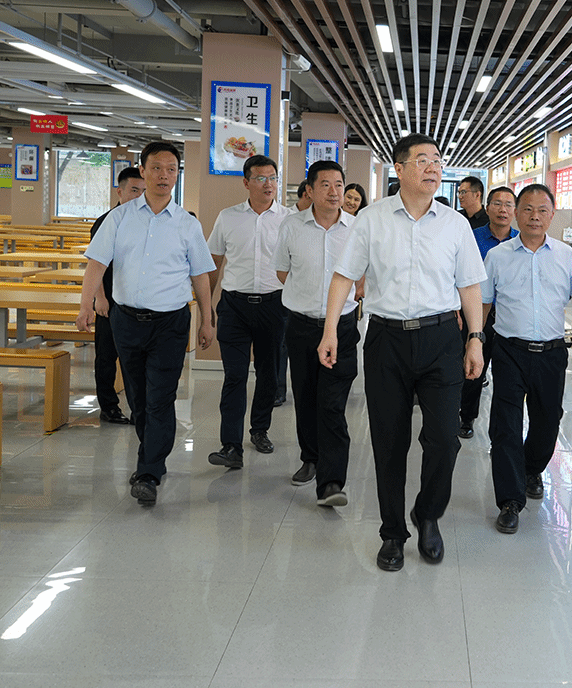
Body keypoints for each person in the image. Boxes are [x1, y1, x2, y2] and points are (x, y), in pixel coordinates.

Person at [319, 133, 485, 572]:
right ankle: (392, 532)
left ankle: (428, 514)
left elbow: (470, 285)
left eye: (438, 160)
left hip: (441, 339)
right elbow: (344, 276)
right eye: (423, 160)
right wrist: (330, 330)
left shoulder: (455, 224)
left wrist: (475, 337)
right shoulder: (371, 220)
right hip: (386, 340)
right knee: (389, 441)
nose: (433, 168)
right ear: (400, 169)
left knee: (444, 439)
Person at [76, 141, 216, 507]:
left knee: (160, 398)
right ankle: (151, 454)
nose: (164, 176)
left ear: (177, 175)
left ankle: (149, 471)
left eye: (171, 169)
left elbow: (201, 275)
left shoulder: (187, 224)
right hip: (127, 321)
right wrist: (86, 304)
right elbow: (97, 264)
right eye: (156, 168)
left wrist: (207, 319)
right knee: (138, 398)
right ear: (143, 170)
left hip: (170, 323)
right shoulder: (119, 218)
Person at [482, 184, 572, 534]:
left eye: (542, 210)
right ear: (517, 214)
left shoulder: (566, 255)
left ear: (551, 215)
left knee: (547, 422)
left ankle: (532, 467)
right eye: (528, 209)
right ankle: (510, 500)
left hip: (551, 353)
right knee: (505, 424)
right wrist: (474, 340)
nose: (534, 217)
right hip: (509, 350)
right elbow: (485, 302)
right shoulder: (498, 256)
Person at [275, 160, 361, 505]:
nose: (334, 191)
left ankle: (331, 482)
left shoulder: (356, 228)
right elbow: (282, 272)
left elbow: (364, 274)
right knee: (306, 396)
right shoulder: (291, 226)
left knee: (332, 403)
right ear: (310, 190)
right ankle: (310, 457)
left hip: (342, 327)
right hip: (302, 325)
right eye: (325, 184)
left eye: (339, 184)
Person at [205, 155, 293, 469]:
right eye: (260, 178)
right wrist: (206, 309)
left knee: (269, 374)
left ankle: (259, 429)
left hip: (275, 305)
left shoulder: (289, 219)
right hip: (234, 306)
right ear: (246, 182)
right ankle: (231, 445)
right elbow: (213, 263)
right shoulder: (228, 217)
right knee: (235, 375)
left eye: (273, 178)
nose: (269, 184)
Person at [459, 186, 519, 439]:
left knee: (509, 378)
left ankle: (501, 431)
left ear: (515, 210)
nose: (503, 209)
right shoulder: (472, 238)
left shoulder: (521, 241)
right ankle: (467, 417)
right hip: (476, 314)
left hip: (509, 317)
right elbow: (458, 274)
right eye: (497, 204)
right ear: (487, 206)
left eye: (508, 204)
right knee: (473, 369)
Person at [89, 166, 144, 425]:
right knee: (107, 357)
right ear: (119, 192)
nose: (139, 196)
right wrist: (99, 298)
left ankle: (138, 409)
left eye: (143, 191)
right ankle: (108, 407)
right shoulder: (105, 222)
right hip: (109, 302)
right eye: (134, 190)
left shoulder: (144, 222)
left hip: (134, 303)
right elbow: (95, 265)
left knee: (134, 360)